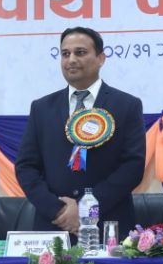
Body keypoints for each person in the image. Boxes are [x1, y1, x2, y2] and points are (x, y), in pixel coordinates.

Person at [15, 26, 146, 235]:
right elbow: (26, 167)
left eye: (80, 52)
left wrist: (87, 208)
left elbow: (133, 167)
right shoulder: (42, 108)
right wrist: (58, 210)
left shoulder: (127, 105)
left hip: (108, 224)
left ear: (101, 58)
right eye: (65, 54)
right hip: (54, 225)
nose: (71, 60)